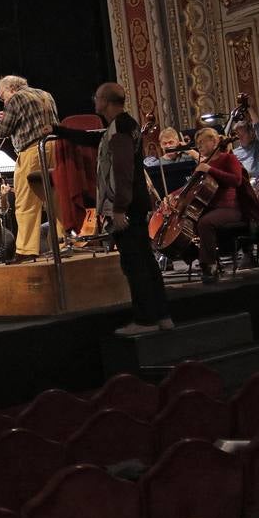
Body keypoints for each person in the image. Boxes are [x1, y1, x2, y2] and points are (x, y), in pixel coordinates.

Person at [71, 84, 172, 335]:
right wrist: (59, 131)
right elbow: (95, 139)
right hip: (133, 205)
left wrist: (118, 209)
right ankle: (161, 316)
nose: (94, 100)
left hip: (127, 207)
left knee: (134, 264)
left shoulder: (121, 127)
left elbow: (123, 171)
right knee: (146, 262)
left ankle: (145, 320)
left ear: (105, 100)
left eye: (97, 97)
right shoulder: (122, 126)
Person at [0, 74, 59, 261]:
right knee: (54, 198)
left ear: (11, 89)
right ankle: (62, 242)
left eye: (2, 97)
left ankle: (26, 250)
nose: (3, 101)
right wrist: (9, 117)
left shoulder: (16, 98)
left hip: (33, 151)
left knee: (26, 201)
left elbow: (2, 132)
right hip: (55, 148)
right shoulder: (45, 94)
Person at [190, 127, 247, 283]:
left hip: (230, 209)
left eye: (202, 142)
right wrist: (172, 196)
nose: (199, 146)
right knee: (188, 220)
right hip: (211, 208)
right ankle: (193, 257)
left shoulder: (228, 159)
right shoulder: (204, 164)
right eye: (197, 143)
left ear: (214, 141)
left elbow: (236, 180)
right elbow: (191, 188)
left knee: (205, 222)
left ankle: (210, 265)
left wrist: (210, 169)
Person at [231, 104, 259, 181]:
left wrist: (249, 107)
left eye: (243, 134)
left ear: (252, 133)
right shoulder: (234, 153)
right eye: (238, 134)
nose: (240, 137)